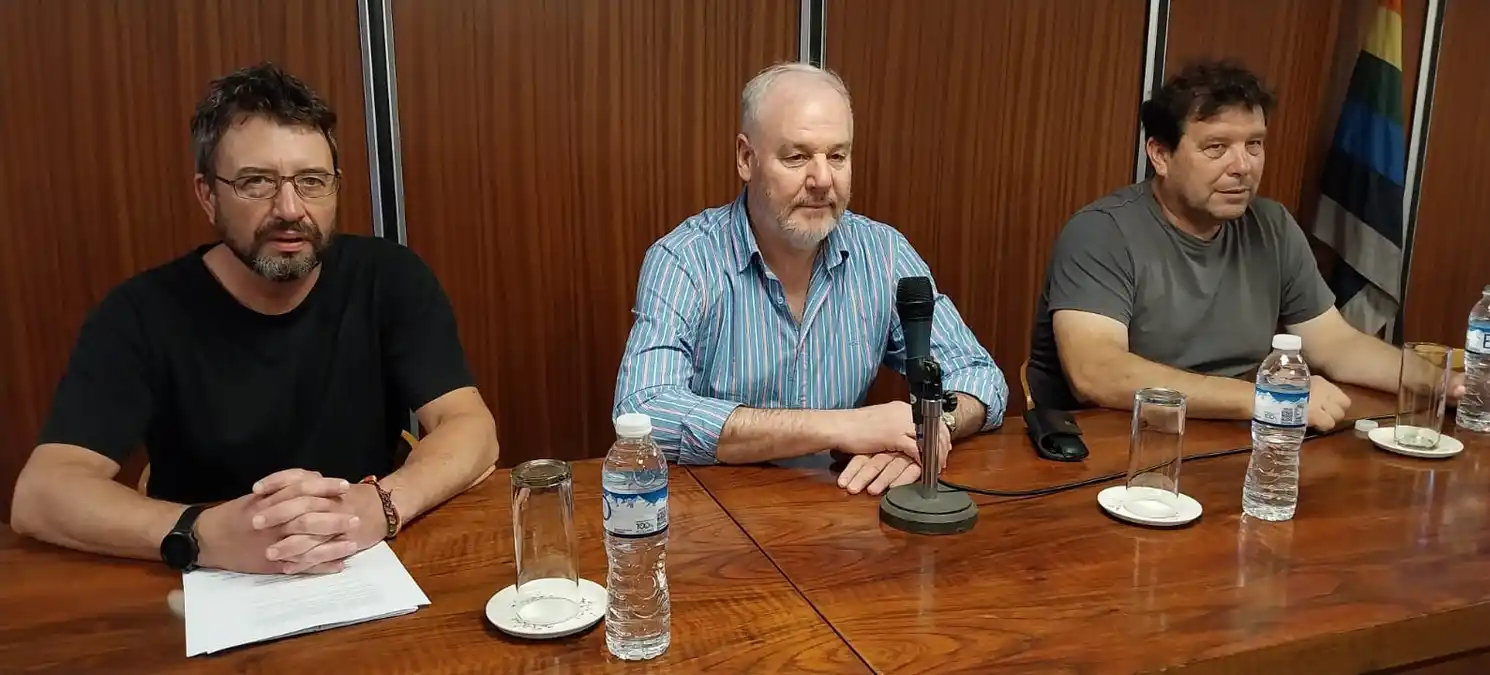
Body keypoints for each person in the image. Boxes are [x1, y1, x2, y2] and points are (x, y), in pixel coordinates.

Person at [9, 63, 498, 575]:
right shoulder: (140, 313)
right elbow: (43, 493)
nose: (289, 208)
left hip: (361, 563)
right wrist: (200, 534)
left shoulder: (389, 277)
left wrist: (380, 506)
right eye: (256, 182)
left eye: (311, 181)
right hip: (201, 585)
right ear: (208, 194)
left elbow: (470, 426)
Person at [613, 62, 1007, 496]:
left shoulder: (885, 253)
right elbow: (643, 411)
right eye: (797, 156)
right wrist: (845, 427)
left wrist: (928, 428)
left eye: (837, 156)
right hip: (722, 521)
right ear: (747, 158)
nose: (822, 179)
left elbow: (979, 375)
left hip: (843, 512)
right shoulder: (685, 260)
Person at [1027, 59, 1460, 430]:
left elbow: (1336, 345)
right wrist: (1259, 399)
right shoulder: (1101, 232)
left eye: (1254, 144)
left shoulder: (1271, 225)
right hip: (1119, 441)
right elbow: (1098, 374)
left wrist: (1441, 383)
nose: (1243, 166)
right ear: (1160, 155)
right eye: (1217, 147)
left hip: (1238, 437)